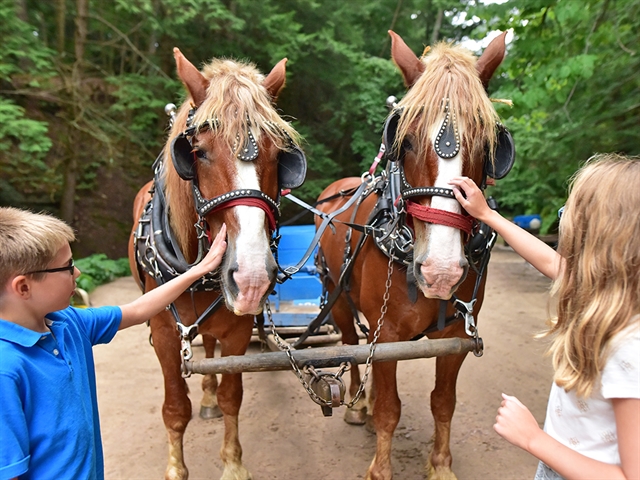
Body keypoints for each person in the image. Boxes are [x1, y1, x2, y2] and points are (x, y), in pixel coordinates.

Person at [449, 153, 640, 480]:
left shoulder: (628, 348)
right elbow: (553, 264)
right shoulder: (607, 295)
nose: (562, 218)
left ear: (597, 234)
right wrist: (487, 214)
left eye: (570, 212)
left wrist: (533, 438)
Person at [0, 207, 227, 480]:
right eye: (68, 267)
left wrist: (198, 270)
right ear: (23, 287)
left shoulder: (67, 323)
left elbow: (137, 310)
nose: (78, 272)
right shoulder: (7, 369)